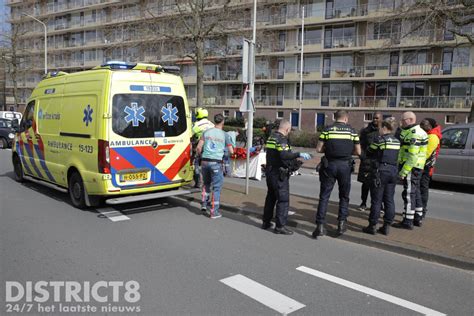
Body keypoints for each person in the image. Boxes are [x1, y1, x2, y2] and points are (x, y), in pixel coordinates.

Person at [312, 110, 361, 238]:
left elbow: (318, 149)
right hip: (345, 166)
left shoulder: (327, 130)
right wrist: (348, 152)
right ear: (346, 119)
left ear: (335, 118)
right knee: (344, 196)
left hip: (330, 165)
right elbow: (358, 151)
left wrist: (327, 149)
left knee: (324, 196)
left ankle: (320, 226)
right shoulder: (352, 131)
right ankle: (341, 223)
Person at [262, 119, 311, 235]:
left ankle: (266, 222)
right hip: (279, 173)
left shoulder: (271, 137)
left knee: (271, 198)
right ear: (287, 129)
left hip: (270, 171)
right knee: (283, 200)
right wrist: (299, 154)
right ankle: (280, 226)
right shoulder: (281, 139)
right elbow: (284, 155)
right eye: (289, 130)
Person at [362, 118, 400, 236]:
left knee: (376, 200)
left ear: (384, 128)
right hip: (393, 171)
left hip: (380, 171)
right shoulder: (397, 141)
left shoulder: (380, 140)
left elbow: (369, 151)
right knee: (389, 199)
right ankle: (387, 226)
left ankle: (372, 226)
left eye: (380, 128)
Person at [394, 111, 428, 229]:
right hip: (417, 167)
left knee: (409, 193)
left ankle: (408, 221)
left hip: (411, 167)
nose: (401, 122)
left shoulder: (415, 134)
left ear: (409, 120)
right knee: (416, 191)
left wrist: (403, 171)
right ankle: (417, 217)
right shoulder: (415, 132)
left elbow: (412, 156)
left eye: (402, 120)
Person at [196, 114, 233, 219]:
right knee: (216, 188)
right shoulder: (225, 135)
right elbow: (231, 151)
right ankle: (214, 212)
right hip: (216, 163)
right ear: (223, 122)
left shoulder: (206, 132)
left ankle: (204, 204)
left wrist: (199, 155)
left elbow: (199, 148)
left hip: (204, 161)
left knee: (206, 184)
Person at [357, 112, 383, 211]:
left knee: (378, 184)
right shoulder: (366, 131)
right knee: (366, 183)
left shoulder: (384, 131)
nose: (375, 120)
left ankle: (379, 205)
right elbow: (360, 144)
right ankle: (363, 203)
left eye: (377, 118)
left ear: (381, 119)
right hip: (367, 161)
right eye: (374, 118)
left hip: (379, 161)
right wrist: (363, 157)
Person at [419, 118, 442, 219]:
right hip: (424, 167)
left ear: (430, 126)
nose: (421, 126)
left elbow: (426, 154)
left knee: (423, 189)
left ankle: (422, 210)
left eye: (423, 124)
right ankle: (420, 209)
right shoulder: (429, 134)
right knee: (421, 189)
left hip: (425, 168)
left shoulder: (432, 137)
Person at [191, 108, 214, 188]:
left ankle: (198, 182)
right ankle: (209, 182)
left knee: (195, 164)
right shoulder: (211, 124)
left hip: (199, 147)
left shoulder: (197, 124)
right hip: (211, 148)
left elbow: (190, 134)